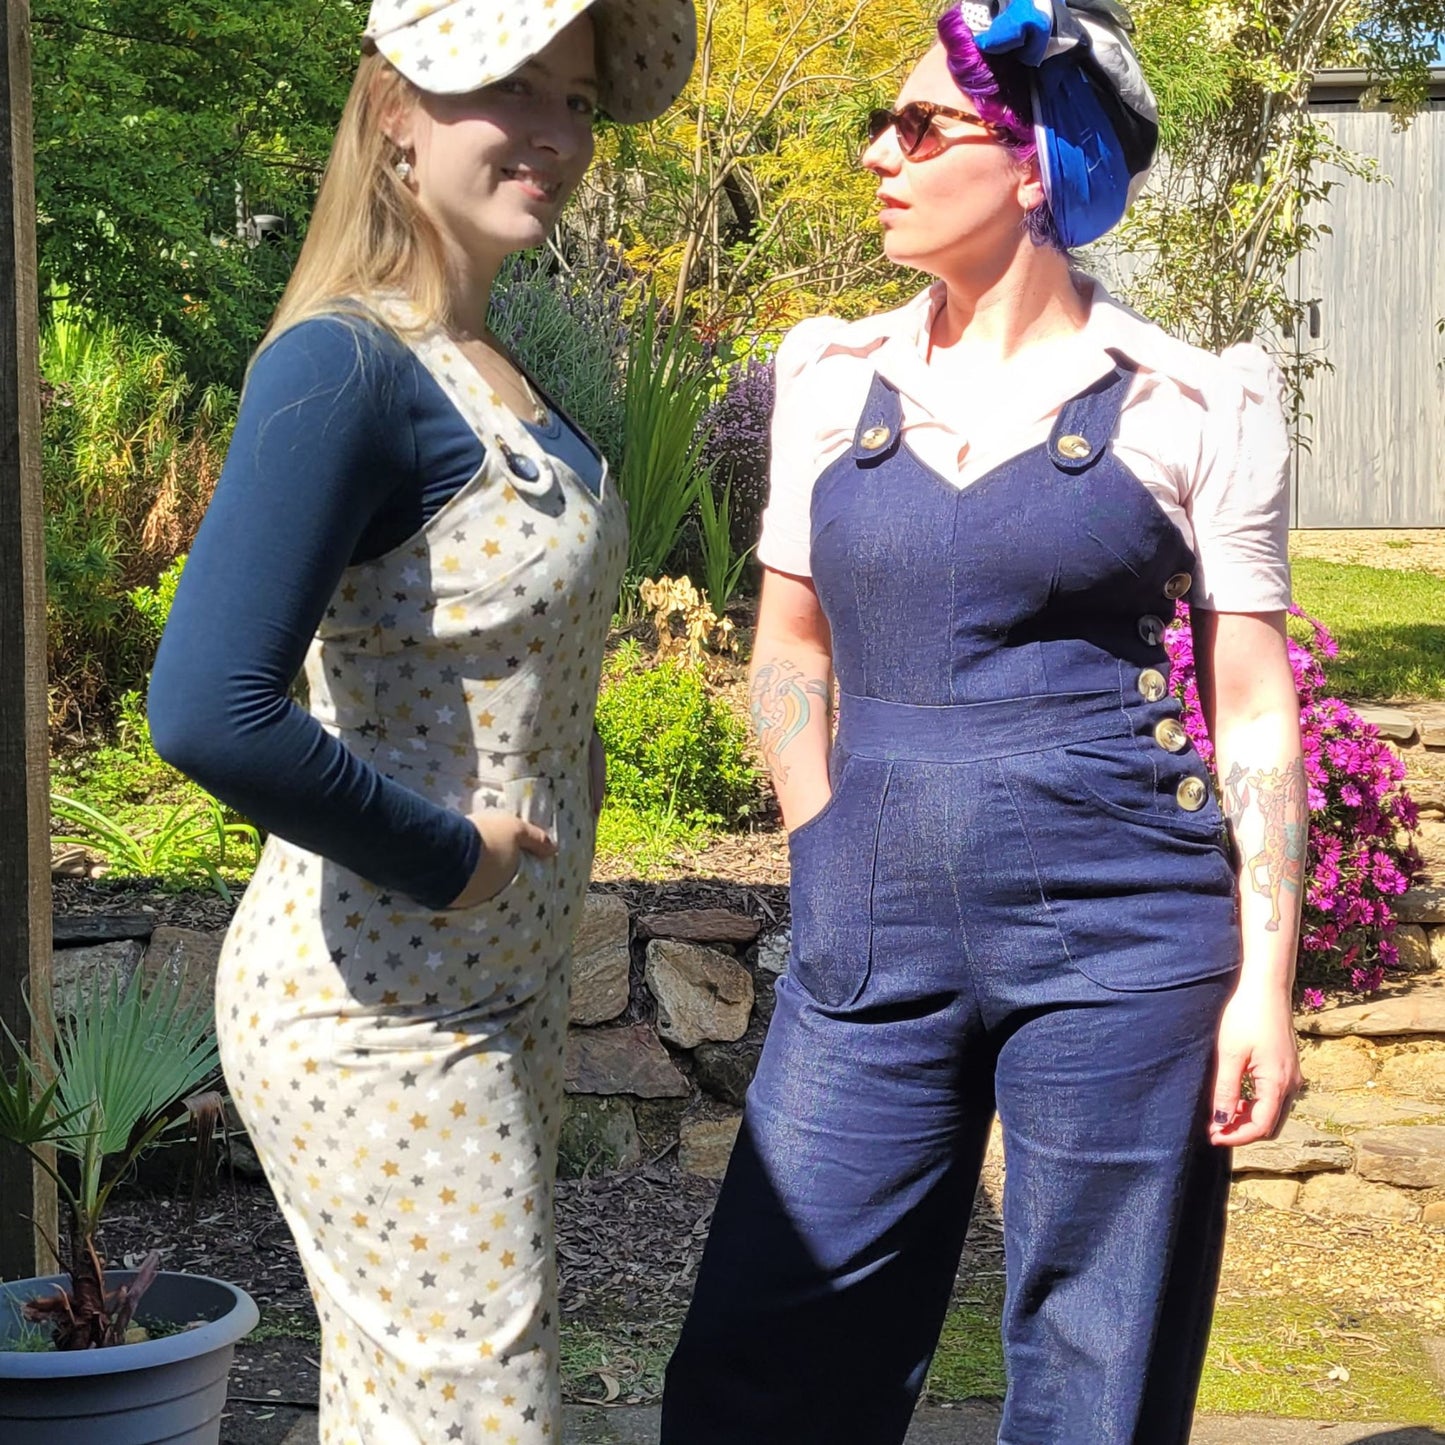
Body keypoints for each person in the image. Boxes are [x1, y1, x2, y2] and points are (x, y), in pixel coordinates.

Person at [661, 3, 1305, 1442]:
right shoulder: (827, 382)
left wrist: (1264, 974)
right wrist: (820, 829)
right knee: (768, 1350)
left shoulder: (1188, 401)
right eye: (876, 127)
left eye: (917, 125)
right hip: (867, 911)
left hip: (1125, 925)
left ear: (1031, 168)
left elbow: (1251, 702)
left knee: (1097, 1357)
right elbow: (788, 642)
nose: (877, 156)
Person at [147, 2, 695, 1440]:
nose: (557, 133)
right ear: (394, 107)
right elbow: (209, 709)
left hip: (489, 987)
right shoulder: (341, 369)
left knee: (424, 1409)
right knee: (478, 1416)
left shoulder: (498, 373)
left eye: (575, 99)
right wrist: (449, 854)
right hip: (376, 1006)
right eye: (509, 87)